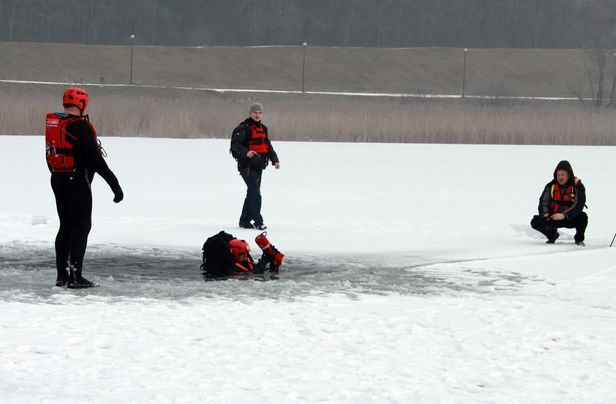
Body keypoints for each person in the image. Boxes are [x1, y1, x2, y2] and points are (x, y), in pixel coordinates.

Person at [45, 87, 124, 288]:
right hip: (76, 182)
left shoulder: (57, 123)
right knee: (82, 226)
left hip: (58, 179)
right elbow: (96, 160)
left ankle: (62, 276)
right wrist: (115, 185)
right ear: (82, 105)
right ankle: (75, 277)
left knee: (66, 226)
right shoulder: (80, 127)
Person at [230, 102, 280, 230]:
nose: (257, 115)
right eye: (255, 112)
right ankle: (258, 221)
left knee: (252, 192)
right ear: (250, 113)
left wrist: (275, 160)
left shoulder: (263, 128)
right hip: (246, 166)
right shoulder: (243, 128)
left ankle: (244, 221)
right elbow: (235, 145)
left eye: (260, 113)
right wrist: (247, 152)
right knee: (255, 193)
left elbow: (268, 146)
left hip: (259, 166)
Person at [530, 160, 587, 245]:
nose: (560, 177)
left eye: (562, 175)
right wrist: (545, 213)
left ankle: (579, 239)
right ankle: (552, 235)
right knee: (535, 221)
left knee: (583, 217)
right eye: (558, 175)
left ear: (568, 175)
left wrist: (564, 215)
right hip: (554, 217)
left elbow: (578, 205)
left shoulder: (578, 186)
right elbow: (543, 202)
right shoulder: (550, 186)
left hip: (570, 218)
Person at [200, 231, 284, 279]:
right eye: (243, 255)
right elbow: (251, 274)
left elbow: (253, 270)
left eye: (246, 254)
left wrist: (270, 263)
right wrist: (262, 264)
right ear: (235, 254)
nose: (246, 257)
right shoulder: (230, 268)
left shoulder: (244, 262)